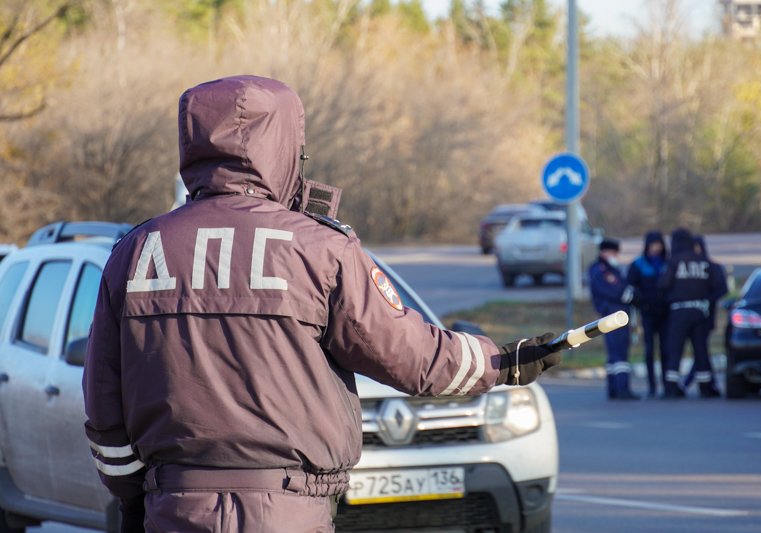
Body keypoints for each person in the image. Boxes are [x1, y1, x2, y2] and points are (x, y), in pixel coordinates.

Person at [82, 75, 562, 533]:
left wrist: (132, 496)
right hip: (288, 508)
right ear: (285, 149)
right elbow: (410, 355)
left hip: (173, 507)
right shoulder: (319, 249)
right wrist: (502, 363)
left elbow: (105, 403)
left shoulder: (137, 251)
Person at [659, 228, 724, 399]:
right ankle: (706, 387)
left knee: (675, 350)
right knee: (701, 350)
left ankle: (671, 388)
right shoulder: (704, 262)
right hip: (700, 311)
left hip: (679, 311)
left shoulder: (674, 262)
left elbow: (664, 284)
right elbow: (718, 286)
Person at [589, 238, 638, 400]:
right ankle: (622, 389)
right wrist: (630, 295)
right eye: (613, 253)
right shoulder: (602, 270)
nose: (615, 256)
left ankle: (613, 389)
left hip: (612, 315)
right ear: (605, 252)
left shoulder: (608, 268)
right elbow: (615, 290)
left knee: (613, 354)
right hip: (613, 315)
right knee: (619, 352)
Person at [682, 235, 728, 394]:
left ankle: (695, 383)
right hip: (690, 315)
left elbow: (723, 289)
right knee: (700, 352)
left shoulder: (712, 267)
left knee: (701, 351)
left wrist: (707, 299)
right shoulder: (686, 267)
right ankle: (704, 383)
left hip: (706, 316)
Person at [626, 231, 669, 398]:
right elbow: (630, 289)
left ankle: (667, 384)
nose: (656, 248)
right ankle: (652, 385)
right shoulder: (638, 265)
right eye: (653, 245)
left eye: (658, 244)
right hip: (648, 313)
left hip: (666, 314)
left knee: (666, 350)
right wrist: (641, 303)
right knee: (650, 349)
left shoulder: (668, 263)